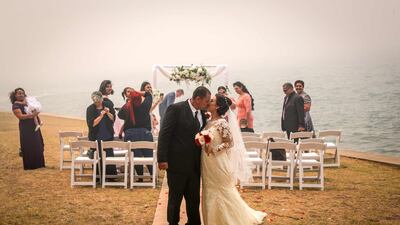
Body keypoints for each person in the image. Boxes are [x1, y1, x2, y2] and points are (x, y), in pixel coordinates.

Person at [201, 94, 266, 225]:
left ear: (218, 106)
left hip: (218, 161)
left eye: (212, 101)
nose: (208, 102)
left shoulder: (222, 123)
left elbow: (229, 143)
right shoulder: (208, 122)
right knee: (209, 189)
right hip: (207, 162)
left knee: (221, 190)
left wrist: (214, 149)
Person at [157, 86, 211, 225]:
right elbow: (165, 134)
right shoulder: (176, 109)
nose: (208, 104)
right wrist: (162, 159)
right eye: (207, 101)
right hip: (177, 164)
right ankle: (173, 223)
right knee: (175, 198)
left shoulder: (203, 113)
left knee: (194, 199)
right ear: (197, 99)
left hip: (195, 165)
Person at [118, 85, 154, 180]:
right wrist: (137, 92)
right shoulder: (145, 106)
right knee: (148, 155)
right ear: (139, 98)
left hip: (130, 134)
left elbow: (119, 115)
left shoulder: (127, 107)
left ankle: (140, 177)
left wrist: (129, 102)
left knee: (136, 156)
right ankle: (152, 176)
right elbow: (149, 95)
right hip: (145, 133)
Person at [10, 88, 45, 170]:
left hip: (34, 126)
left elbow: (34, 110)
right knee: (28, 145)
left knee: (38, 144)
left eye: (22, 93)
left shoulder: (28, 101)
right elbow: (20, 116)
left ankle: (40, 164)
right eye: (19, 93)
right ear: (15, 95)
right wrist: (32, 115)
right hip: (25, 128)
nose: (21, 94)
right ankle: (30, 166)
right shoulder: (15, 105)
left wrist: (37, 115)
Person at [86, 91, 117, 177]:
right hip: (95, 137)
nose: (98, 103)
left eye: (99, 101)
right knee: (96, 158)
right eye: (95, 101)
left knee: (109, 156)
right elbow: (91, 124)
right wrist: (101, 116)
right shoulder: (90, 109)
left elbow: (113, 119)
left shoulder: (108, 105)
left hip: (108, 136)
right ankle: (98, 176)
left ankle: (111, 177)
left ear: (101, 99)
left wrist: (107, 113)